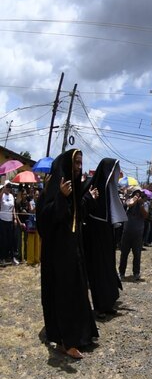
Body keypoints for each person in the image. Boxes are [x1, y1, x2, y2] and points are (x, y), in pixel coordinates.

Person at [37, 149, 99, 360]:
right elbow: (44, 219)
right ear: (66, 165)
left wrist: (88, 198)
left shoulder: (74, 188)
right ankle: (66, 341)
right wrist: (61, 198)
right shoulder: (54, 188)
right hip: (58, 254)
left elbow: (77, 214)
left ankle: (81, 334)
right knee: (64, 294)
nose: (79, 167)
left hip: (74, 250)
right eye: (76, 163)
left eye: (81, 163)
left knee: (78, 291)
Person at [84, 158, 127, 317]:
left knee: (108, 269)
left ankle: (108, 303)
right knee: (98, 272)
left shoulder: (110, 190)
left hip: (107, 235)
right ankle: (100, 306)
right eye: (114, 170)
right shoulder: (93, 187)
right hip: (95, 237)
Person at [118, 186, 148, 282]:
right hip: (127, 232)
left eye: (139, 194)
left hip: (138, 233)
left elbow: (145, 215)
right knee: (124, 254)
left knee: (137, 254)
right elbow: (128, 205)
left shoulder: (144, 203)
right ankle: (121, 273)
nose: (137, 195)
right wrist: (134, 201)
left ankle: (136, 273)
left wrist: (141, 205)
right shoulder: (128, 201)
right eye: (136, 193)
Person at [0, 182, 19, 265]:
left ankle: (12, 257)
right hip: (2, 220)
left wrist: (14, 218)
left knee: (11, 239)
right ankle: (2, 258)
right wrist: (3, 189)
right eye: (7, 187)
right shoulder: (2, 195)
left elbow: (13, 208)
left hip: (10, 220)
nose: (8, 188)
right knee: (3, 240)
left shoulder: (11, 196)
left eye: (9, 187)